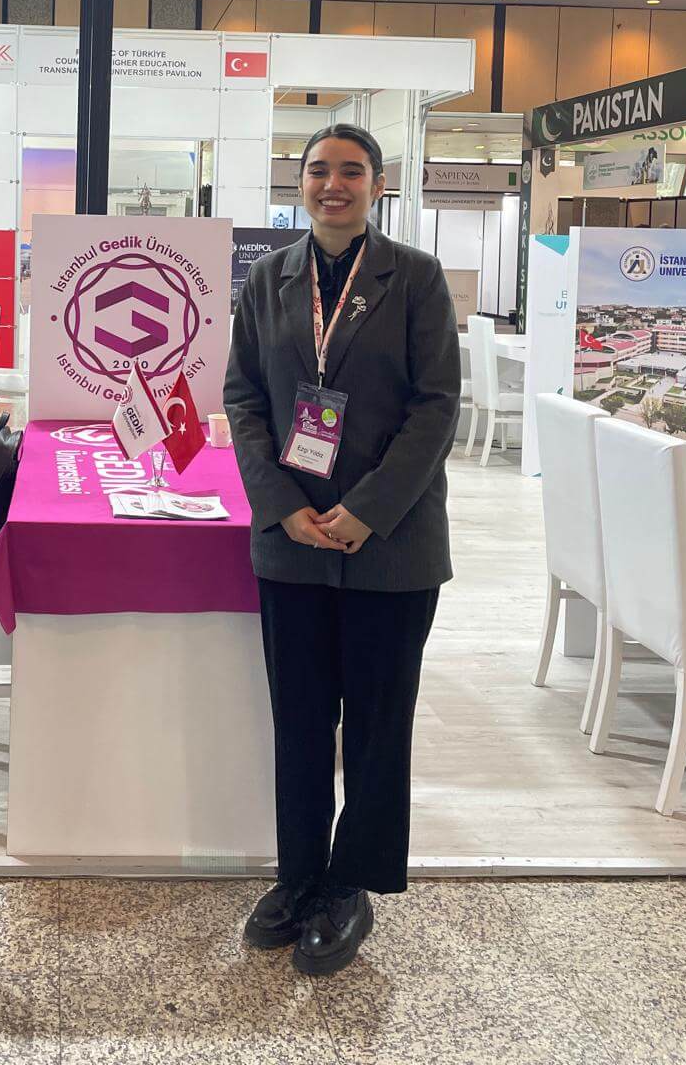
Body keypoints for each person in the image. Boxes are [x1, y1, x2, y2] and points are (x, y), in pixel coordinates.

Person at [224, 123, 459, 977]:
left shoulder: (416, 278)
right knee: (298, 719)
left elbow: (436, 406)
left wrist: (368, 509)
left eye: (351, 172)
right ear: (300, 183)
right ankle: (298, 876)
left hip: (390, 545)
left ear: (377, 184)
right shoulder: (269, 279)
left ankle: (350, 885)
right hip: (292, 543)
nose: (334, 184)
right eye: (319, 170)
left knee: (376, 724)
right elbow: (243, 397)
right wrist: (283, 506)